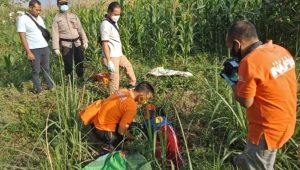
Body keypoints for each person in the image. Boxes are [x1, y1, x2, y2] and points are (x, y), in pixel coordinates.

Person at [223, 20, 297, 169]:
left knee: (259, 164)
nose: (232, 51)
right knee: (256, 156)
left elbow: (245, 101)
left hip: (266, 132)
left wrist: (232, 81)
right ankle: (245, 159)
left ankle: (252, 161)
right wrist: (245, 77)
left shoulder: (249, 62)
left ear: (237, 44)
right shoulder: (280, 50)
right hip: (287, 119)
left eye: (231, 47)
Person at [81, 81, 154, 152]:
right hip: (102, 130)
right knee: (123, 140)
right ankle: (108, 147)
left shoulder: (123, 91)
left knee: (132, 125)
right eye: (147, 99)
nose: (147, 101)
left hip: (94, 121)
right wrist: (133, 138)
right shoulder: (131, 106)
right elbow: (121, 131)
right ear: (142, 96)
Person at [99, 1, 136, 94]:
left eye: (119, 14)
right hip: (112, 57)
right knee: (115, 79)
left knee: (128, 67)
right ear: (109, 12)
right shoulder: (105, 25)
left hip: (119, 54)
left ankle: (132, 86)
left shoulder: (114, 22)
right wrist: (109, 61)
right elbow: (104, 43)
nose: (117, 16)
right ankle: (112, 99)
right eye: (115, 14)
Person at [17, 0, 53, 94]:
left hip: (45, 47)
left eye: (40, 10)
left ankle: (50, 87)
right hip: (34, 49)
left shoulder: (40, 18)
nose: (39, 11)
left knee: (46, 69)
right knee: (36, 71)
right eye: (37, 9)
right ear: (30, 8)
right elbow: (22, 37)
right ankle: (38, 90)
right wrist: (28, 52)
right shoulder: (23, 19)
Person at [52, 0, 88, 80]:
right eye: (62, 4)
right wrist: (56, 47)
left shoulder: (73, 16)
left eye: (65, 3)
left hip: (77, 42)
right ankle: (70, 79)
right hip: (65, 44)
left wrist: (84, 40)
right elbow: (55, 33)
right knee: (68, 62)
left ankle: (80, 77)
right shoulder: (56, 19)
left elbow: (80, 29)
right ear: (58, 4)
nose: (64, 5)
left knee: (79, 60)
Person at [142, 104, 184, 169]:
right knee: (165, 152)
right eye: (144, 111)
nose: (144, 113)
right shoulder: (147, 122)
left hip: (164, 130)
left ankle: (178, 165)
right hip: (160, 132)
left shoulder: (157, 120)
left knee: (172, 150)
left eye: (146, 111)